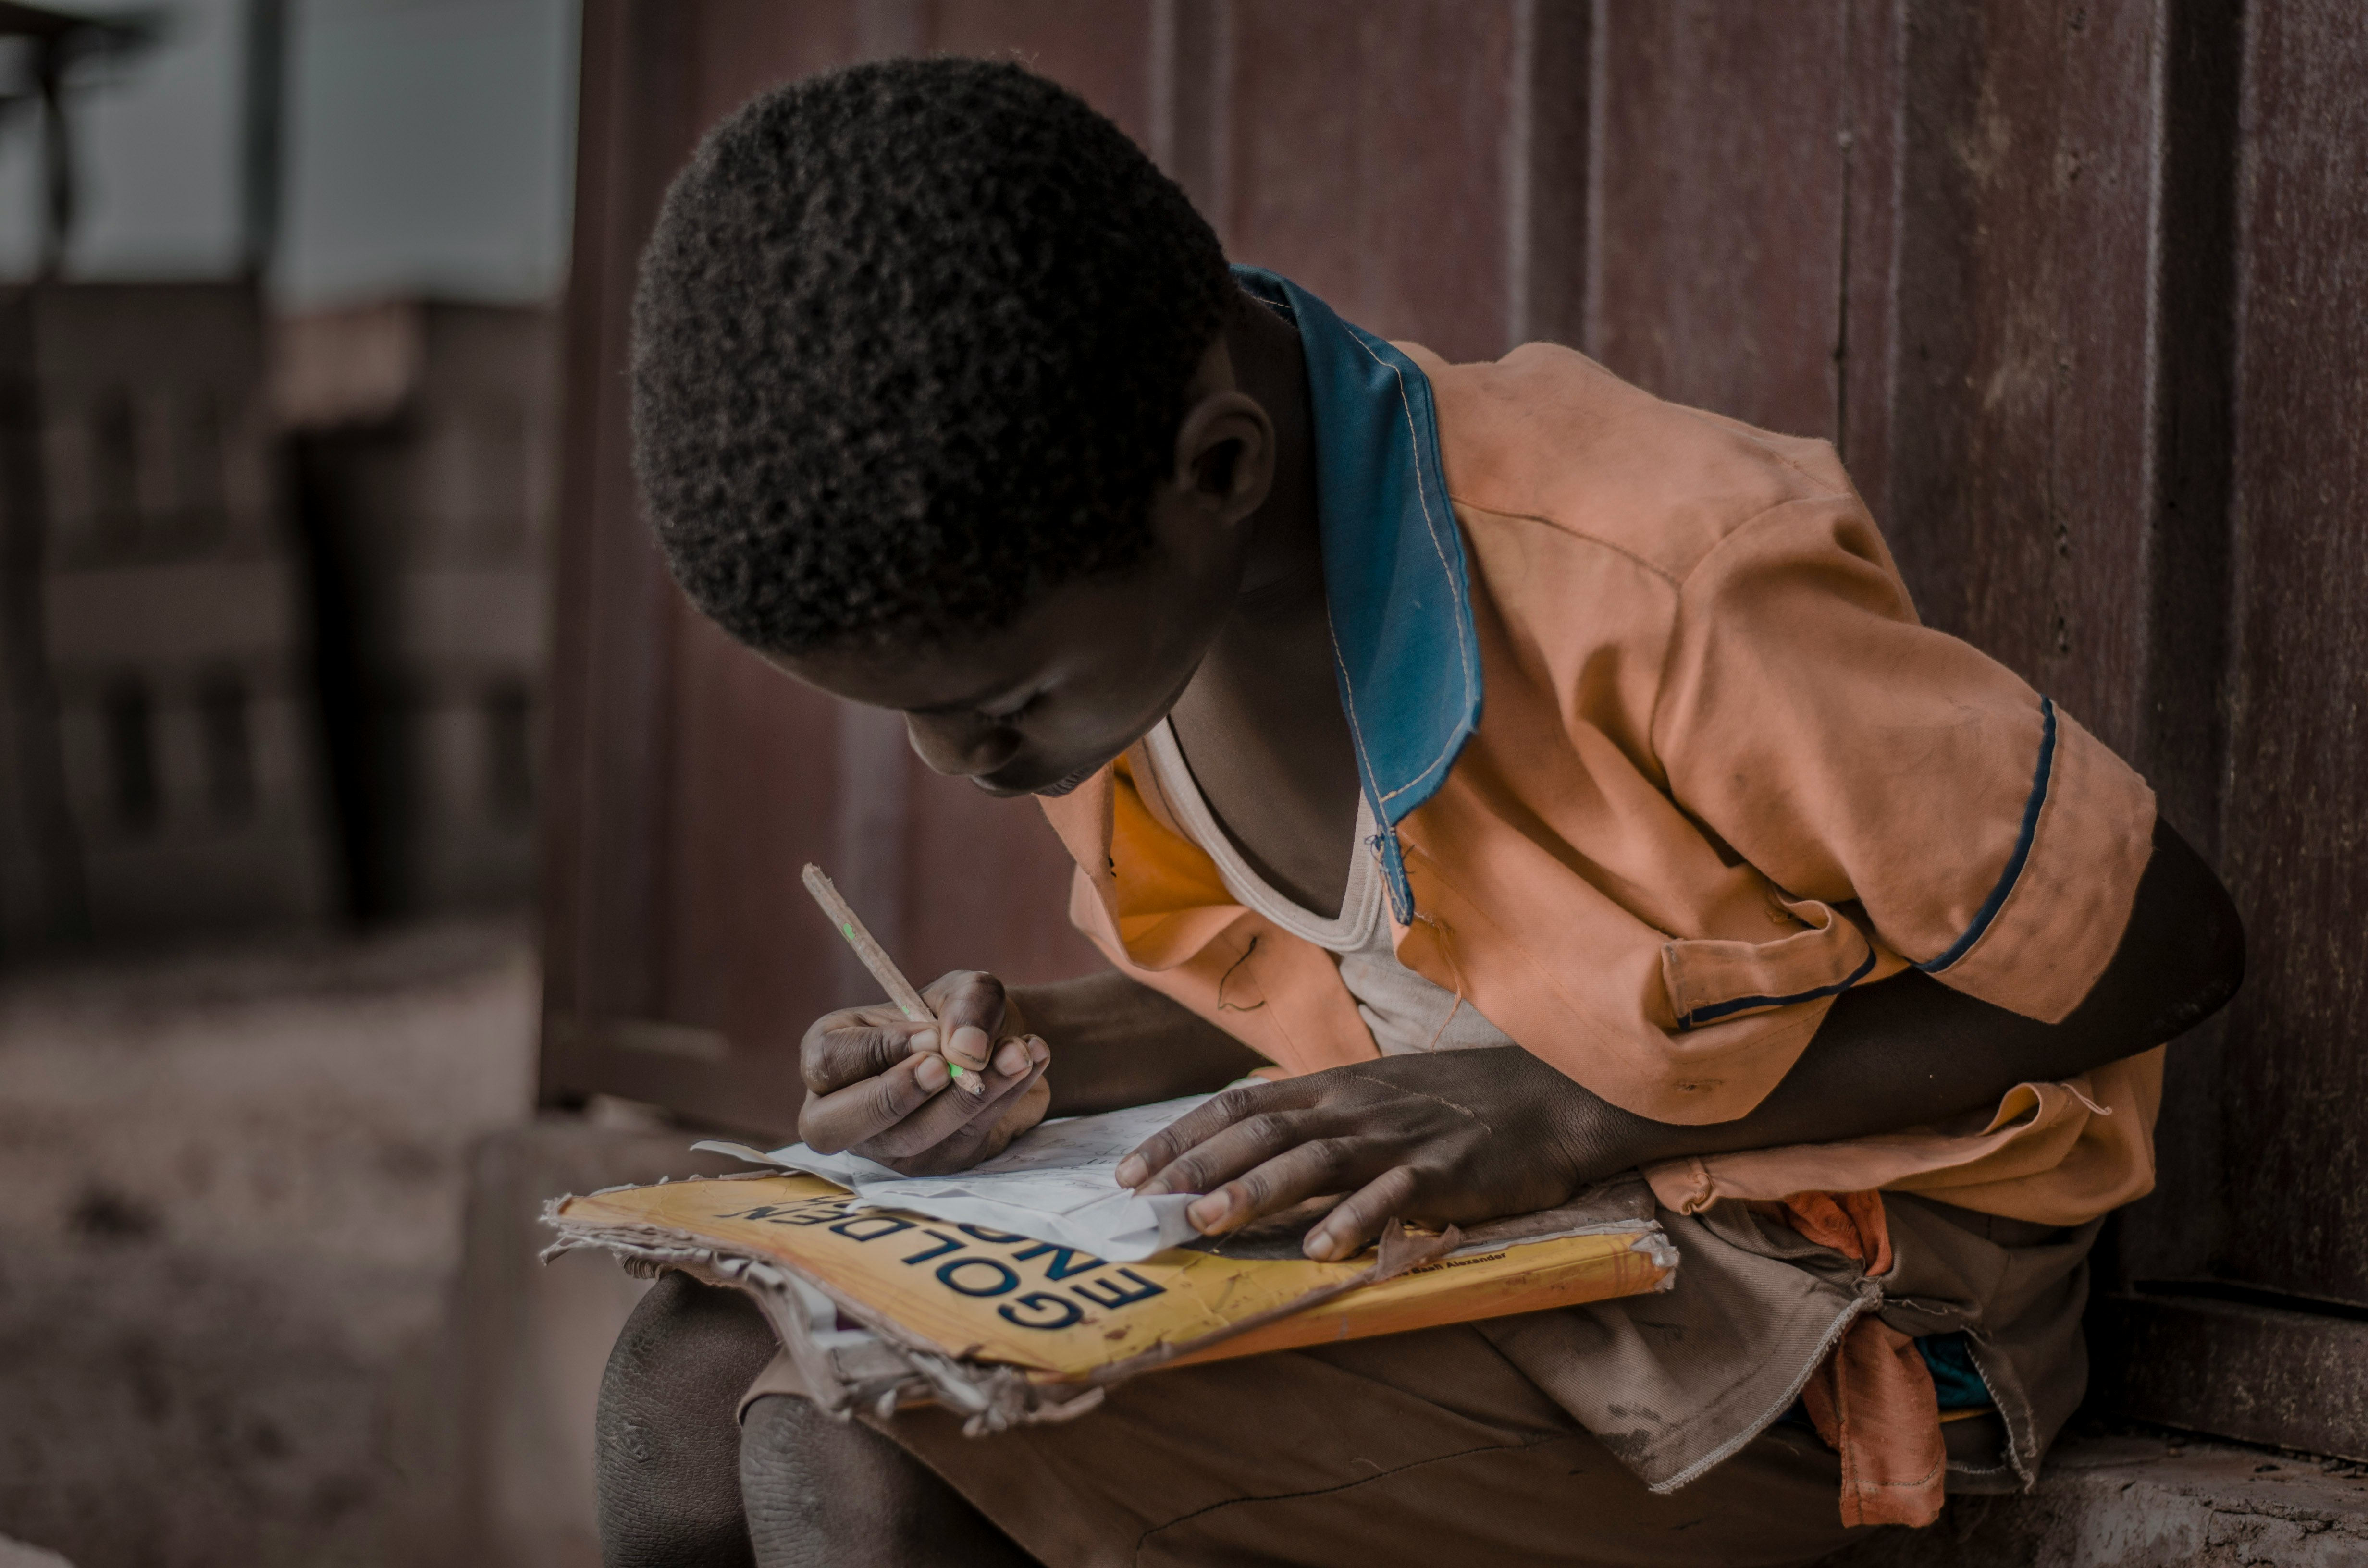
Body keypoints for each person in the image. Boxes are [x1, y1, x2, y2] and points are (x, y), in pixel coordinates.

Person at [595, 57, 2244, 1568]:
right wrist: (1037, 1055)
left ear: (1220, 473)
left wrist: (1575, 1117)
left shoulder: (1657, 578)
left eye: (1000, 706)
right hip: (1501, 1232)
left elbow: (2163, 942)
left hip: (1815, 1294)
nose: (954, 763)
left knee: (871, 1458)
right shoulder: (1123, 596)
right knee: (684, 1376)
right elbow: (1403, 1023)